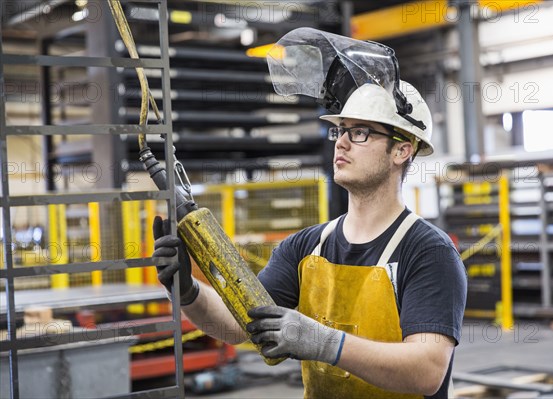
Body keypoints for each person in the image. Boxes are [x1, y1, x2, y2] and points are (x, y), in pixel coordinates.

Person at [153, 49, 467, 398]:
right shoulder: (305, 247)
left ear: (401, 151)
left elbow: (426, 370)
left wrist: (324, 343)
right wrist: (188, 292)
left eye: (360, 133)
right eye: (341, 131)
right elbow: (241, 324)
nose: (342, 143)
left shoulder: (428, 252)